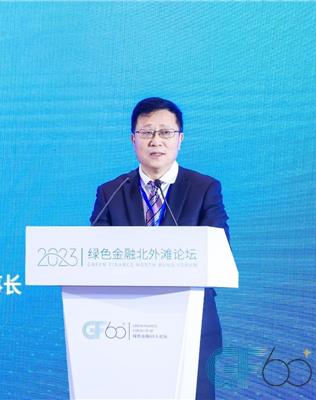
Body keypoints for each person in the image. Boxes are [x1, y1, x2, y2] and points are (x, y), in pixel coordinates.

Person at [90, 97, 228, 400]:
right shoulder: (111, 192)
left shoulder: (204, 188)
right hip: (125, 324)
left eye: (165, 132)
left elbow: (218, 248)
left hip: (192, 322)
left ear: (180, 139)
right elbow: (95, 255)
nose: (156, 141)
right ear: (133, 139)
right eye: (146, 132)